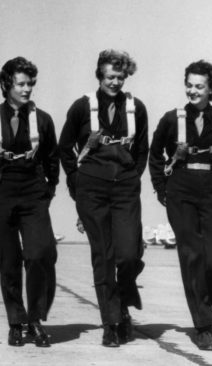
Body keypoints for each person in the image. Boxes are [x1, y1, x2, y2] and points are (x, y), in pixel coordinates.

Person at [149, 60, 212, 352]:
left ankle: (210, 291)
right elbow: (155, 155)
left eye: (199, 86)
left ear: (211, 88)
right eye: (189, 85)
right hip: (182, 189)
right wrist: (162, 189)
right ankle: (203, 326)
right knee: (192, 255)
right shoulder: (171, 118)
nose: (192, 90)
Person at [0, 57, 59, 348]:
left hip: (33, 191)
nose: (27, 89)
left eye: (30, 83)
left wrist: (49, 190)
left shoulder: (42, 119)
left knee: (40, 253)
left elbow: (52, 159)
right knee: (10, 259)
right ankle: (16, 323)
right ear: (7, 85)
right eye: (21, 83)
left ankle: (35, 318)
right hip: (0, 191)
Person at [58, 49, 148, 347]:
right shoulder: (82, 107)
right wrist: (76, 182)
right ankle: (111, 322)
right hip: (92, 189)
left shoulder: (137, 108)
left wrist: (132, 177)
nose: (115, 82)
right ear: (100, 75)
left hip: (124, 189)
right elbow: (64, 146)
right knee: (104, 257)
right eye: (110, 76)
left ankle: (122, 298)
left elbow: (142, 150)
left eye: (121, 77)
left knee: (128, 254)